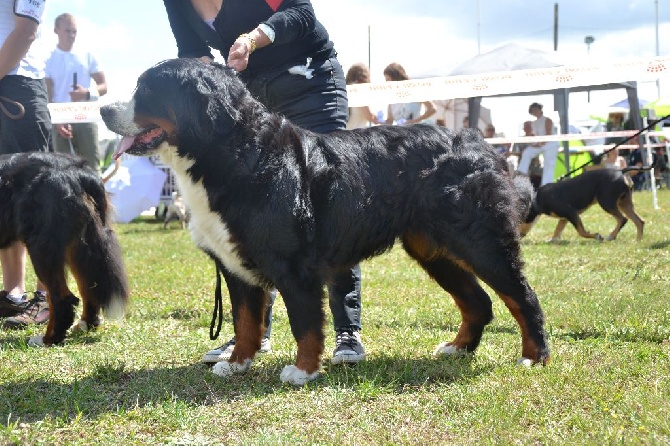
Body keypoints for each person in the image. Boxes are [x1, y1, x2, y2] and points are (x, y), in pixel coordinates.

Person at [162, 0, 365, 365]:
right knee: (249, 215)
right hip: (249, 91)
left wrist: (252, 40)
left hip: (309, 82)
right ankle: (254, 334)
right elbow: (193, 52)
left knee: (329, 203)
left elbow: (302, 14)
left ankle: (346, 331)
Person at [0, 0, 51, 328]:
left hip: (17, 88)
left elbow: (26, 32)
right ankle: (14, 294)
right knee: (4, 201)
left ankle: (49, 298)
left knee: (36, 202)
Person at [45, 13, 107, 172]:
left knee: (91, 168)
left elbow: (104, 86)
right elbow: (48, 95)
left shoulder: (87, 55)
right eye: (67, 31)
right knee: (63, 170)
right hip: (60, 117)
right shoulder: (48, 58)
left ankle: (94, 197)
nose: (72, 35)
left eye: (74, 31)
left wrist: (86, 93)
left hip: (85, 115)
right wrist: (57, 119)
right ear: (56, 30)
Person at [516, 102, 560, 186]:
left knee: (549, 165)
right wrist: (534, 143)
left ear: (540, 109)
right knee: (527, 152)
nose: (535, 111)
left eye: (536, 109)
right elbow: (535, 135)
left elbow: (548, 134)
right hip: (540, 144)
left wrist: (539, 143)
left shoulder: (547, 120)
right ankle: (522, 173)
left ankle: (546, 185)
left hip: (550, 144)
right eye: (533, 110)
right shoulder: (534, 123)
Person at [345, 63, 378, 129]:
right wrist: (378, 119)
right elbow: (368, 116)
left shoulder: (347, 89)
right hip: (357, 132)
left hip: (346, 130)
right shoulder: (359, 90)